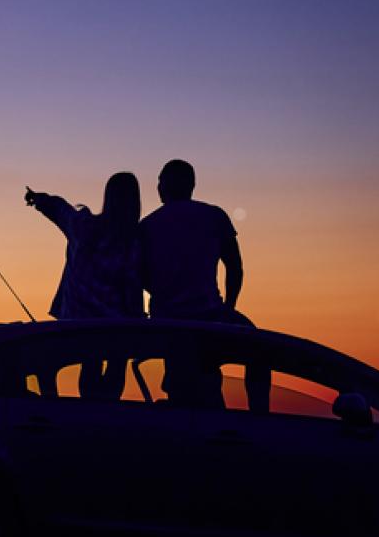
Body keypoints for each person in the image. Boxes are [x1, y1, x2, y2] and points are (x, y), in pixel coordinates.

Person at [139, 159, 269, 410]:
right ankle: (260, 414)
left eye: (159, 181)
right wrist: (229, 308)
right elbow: (235, 266)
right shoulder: (214, 215)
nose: (157, 187)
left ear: (164, 186)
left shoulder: (147, 226)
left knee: (189, 383)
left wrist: (162, 295)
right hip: (210, 315)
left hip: (168, 321)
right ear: (192, 185)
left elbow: (138, 274)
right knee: (260, 350)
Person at [25, 172, 143, 400]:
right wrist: (137, 318)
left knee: (89, 366)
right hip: (115, 323)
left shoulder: (83, 226)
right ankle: (106, 414)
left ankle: (86, 413)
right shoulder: (131, 241)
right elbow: (131, 282)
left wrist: (39, 199)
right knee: (117, 367)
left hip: (79, 320)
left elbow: (61, 209)